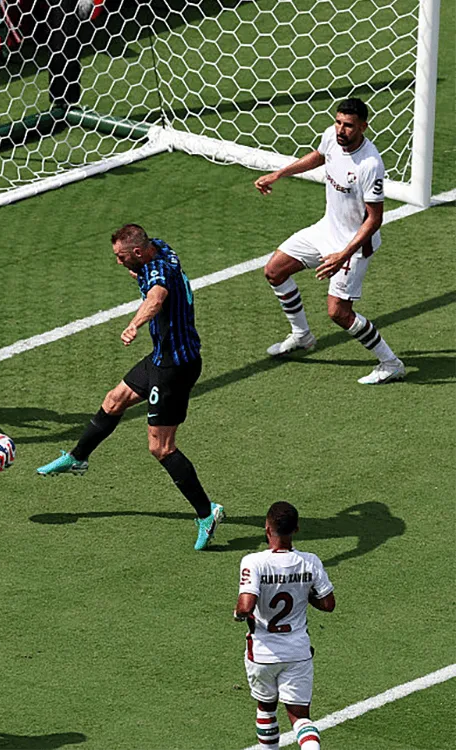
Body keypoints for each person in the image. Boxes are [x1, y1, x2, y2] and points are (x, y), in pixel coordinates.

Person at [36, 224, 225, 551]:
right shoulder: (161, 248)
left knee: (161, 448)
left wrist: (134, 324)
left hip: (174, 368)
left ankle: (207, 514)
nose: (119, 263)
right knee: (114, 400)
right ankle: (78, 457)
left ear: (138, 252)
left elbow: (157, 297)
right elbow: (154, 280)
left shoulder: (156, 272)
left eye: (122, 257)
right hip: (161, 356)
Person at [255, 97, 404, 384]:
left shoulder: (370, 164)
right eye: (338, 122)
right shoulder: (331, 137)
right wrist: (279, 174)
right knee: (274, 270)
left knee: (338, 312)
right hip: (327, 229)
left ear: (363, 126)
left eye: (348, 125)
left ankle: (391, 363)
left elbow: (374, 219)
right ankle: (302, 336)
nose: (340, 130)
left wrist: (343, 255)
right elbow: (319, 156)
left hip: (354, 245)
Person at [234, 501, 335, 750]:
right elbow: (328, 604)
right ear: (296, 529)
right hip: (298, 651)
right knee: (300, 717)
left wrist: (237, 613)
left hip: (262, 652)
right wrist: (303, 592)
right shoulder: (310, 562)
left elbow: (246, 606)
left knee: (266, 707)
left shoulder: (253, 561)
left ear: (267, 528)